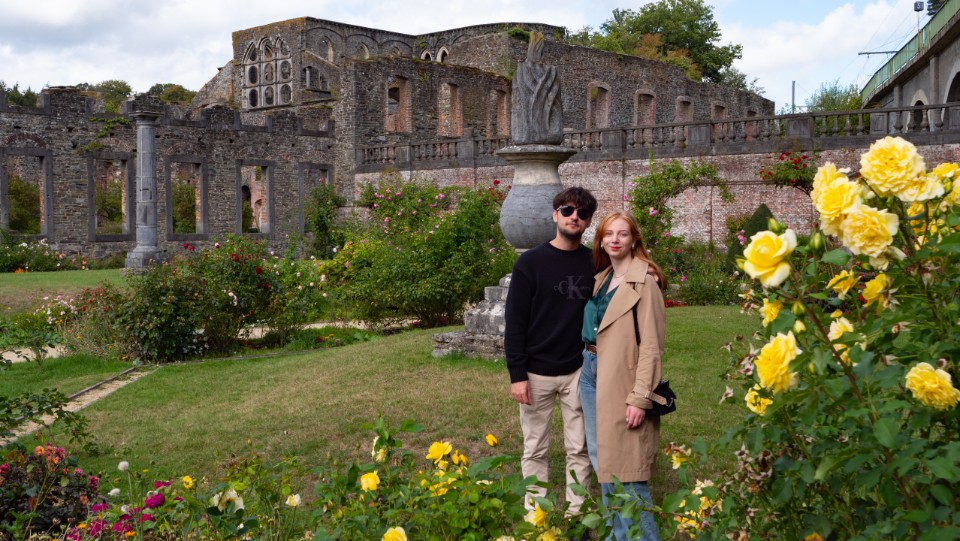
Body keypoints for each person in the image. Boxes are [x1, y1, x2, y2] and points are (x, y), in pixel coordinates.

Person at [504, 186, 598, 515]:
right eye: (568, 210)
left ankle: (577, 514)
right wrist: (517, 375)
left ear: (589, 221)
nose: (575, 217)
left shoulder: (595, 262)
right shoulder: (530, 263)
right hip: (535, 370)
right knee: (534, 449)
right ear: (555, 214)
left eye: (582, 213)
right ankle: (536, 514)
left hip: (578, 369)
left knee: (579, 447)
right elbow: (515, 322)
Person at [579, 211, 667, 541]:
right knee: (604, 462)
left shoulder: (645, 283)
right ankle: (618, 535)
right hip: (591, 372)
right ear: (601, 241)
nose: (615, 239)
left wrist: (640, 398)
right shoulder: (602, 278)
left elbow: (652, 347)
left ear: (634, 241)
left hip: (623, 379)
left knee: (627, 471)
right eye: (608, 234)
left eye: (623, 234)